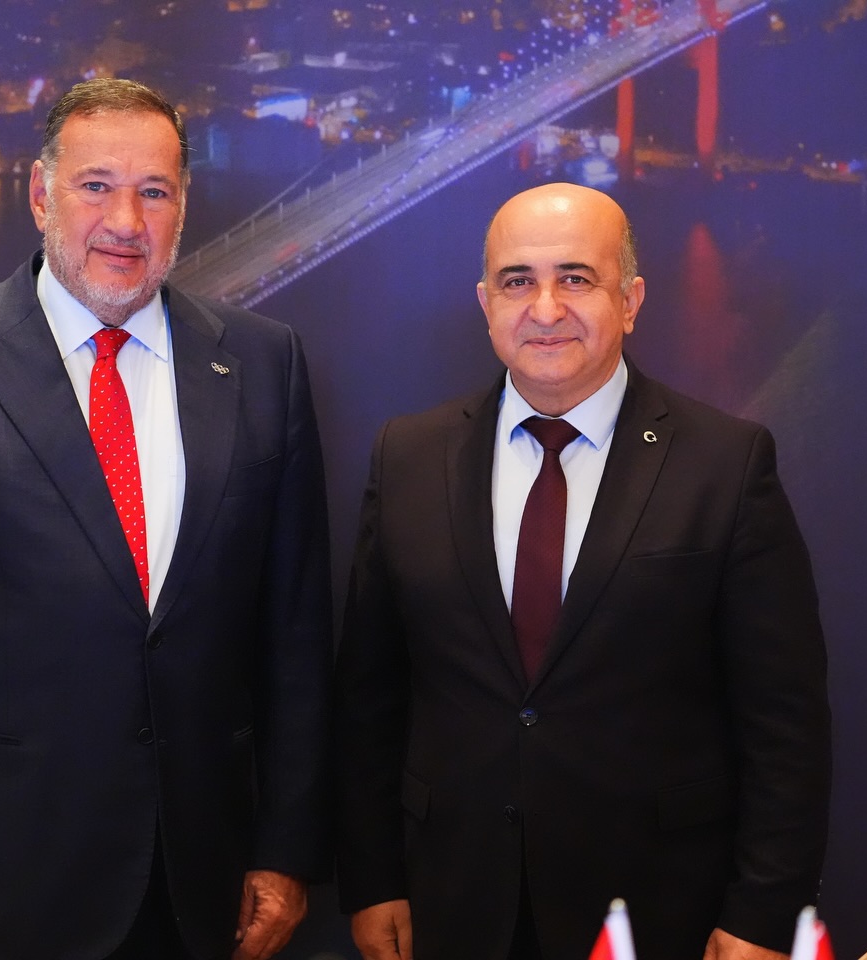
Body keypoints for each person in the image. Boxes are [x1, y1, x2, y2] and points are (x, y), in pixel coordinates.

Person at [0, 78, 332, 960]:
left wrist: (287, 848)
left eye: (154, 191)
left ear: (182, 205)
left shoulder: (264, 362)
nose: (125, 222)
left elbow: (295, 635)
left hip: (201, 886)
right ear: (39, 194)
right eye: (96, 185)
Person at [334, 183, 830, 960]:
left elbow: (785, 723)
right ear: (486, 303)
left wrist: (764, 914)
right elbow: (370, 699)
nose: (545, 308)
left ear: (629, 301)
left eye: (575, 278)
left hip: (658, 911)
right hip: (452, 902)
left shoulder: (726, 466)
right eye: (518, 281)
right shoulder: (408, 456)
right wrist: (371, 880)